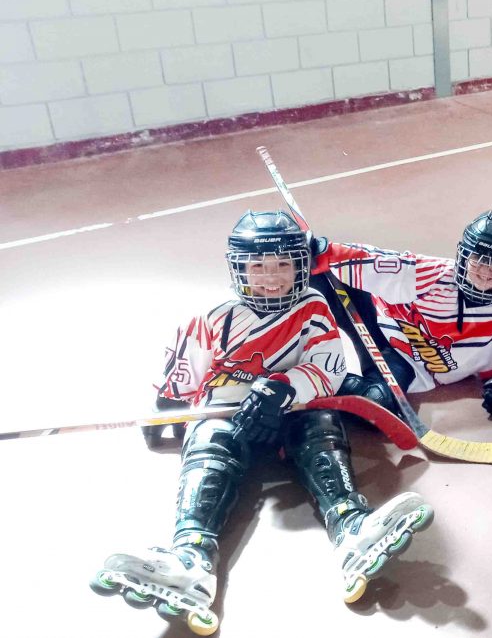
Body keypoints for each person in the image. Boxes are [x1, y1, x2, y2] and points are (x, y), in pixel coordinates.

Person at [91, 211, 434, 634]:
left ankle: (351, 528)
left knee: (320, 422)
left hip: (291, 412)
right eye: (258, 266)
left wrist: (284, 388)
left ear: (300, 266)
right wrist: (167, 404)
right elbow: (182, 376)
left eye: (283, 265)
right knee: (209, 439)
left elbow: (327, 368)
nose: (271, 277)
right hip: (228, 414)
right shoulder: (213, 318)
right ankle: (191, 558)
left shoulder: (314, 308)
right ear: (239, 268)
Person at [310, 210, 492, 419]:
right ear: (464, 256)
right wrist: (325, 250)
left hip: (403, 361)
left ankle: (331, 385)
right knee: (314, 270)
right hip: (373, 321)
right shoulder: (435, 273)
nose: (484, 271)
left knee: (376, 406)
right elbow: (378, 260)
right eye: (478, 259)